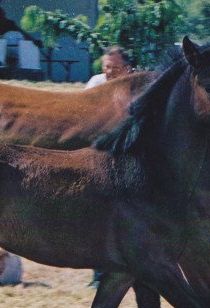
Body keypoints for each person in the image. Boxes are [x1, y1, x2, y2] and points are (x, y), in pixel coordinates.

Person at [84, 46, 133, 286]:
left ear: (127, 68)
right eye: (107, 67)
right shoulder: (95, 84)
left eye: (115, 67)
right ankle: (99, 275)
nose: (110, 72)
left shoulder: (135, 88)